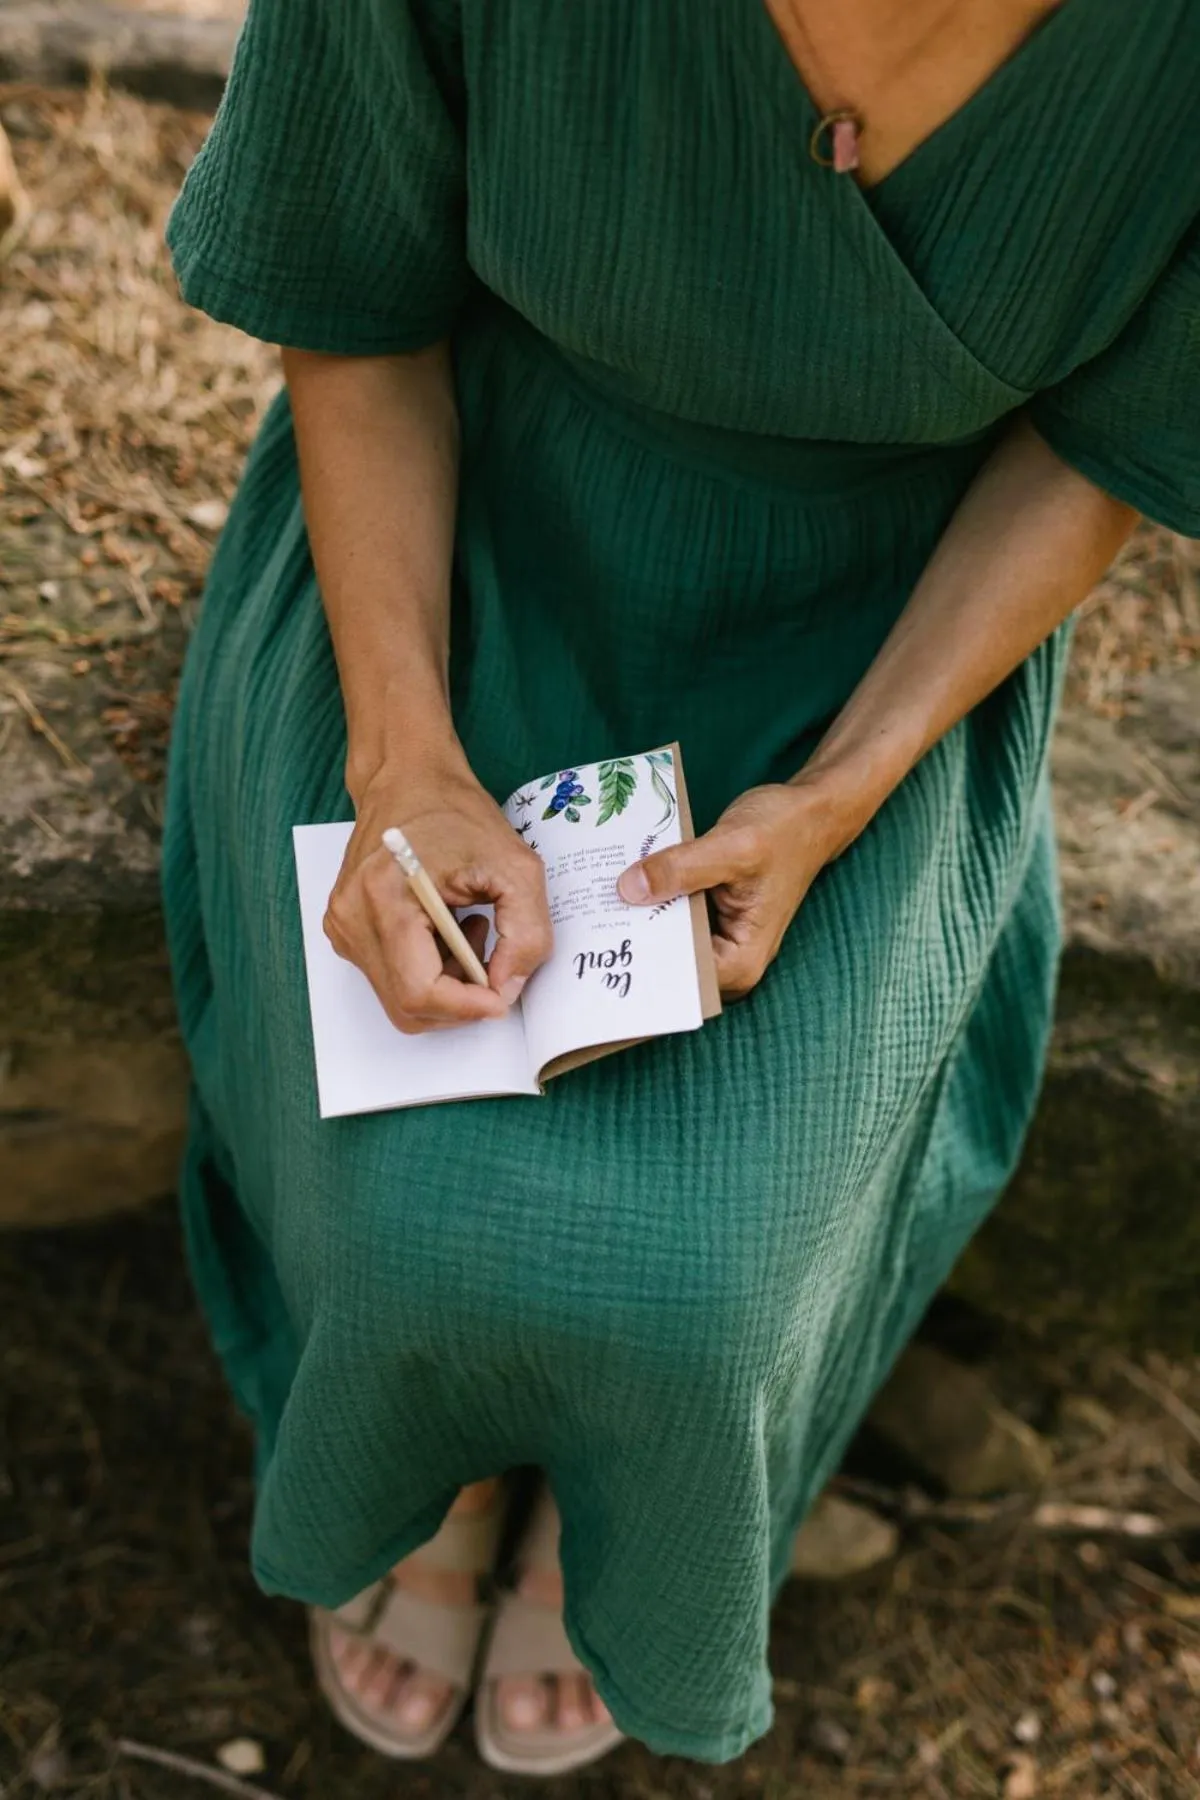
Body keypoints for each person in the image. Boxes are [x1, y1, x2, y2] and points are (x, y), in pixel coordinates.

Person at [164, 0, 1200, 1775]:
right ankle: (447, 1469)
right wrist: (404, 760)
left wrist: (849, 785)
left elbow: (1106, 447)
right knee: (406, 1202)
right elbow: (355, 305)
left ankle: (624, 1519)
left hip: (888, 632)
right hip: (453, 543)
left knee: (708, 1280)